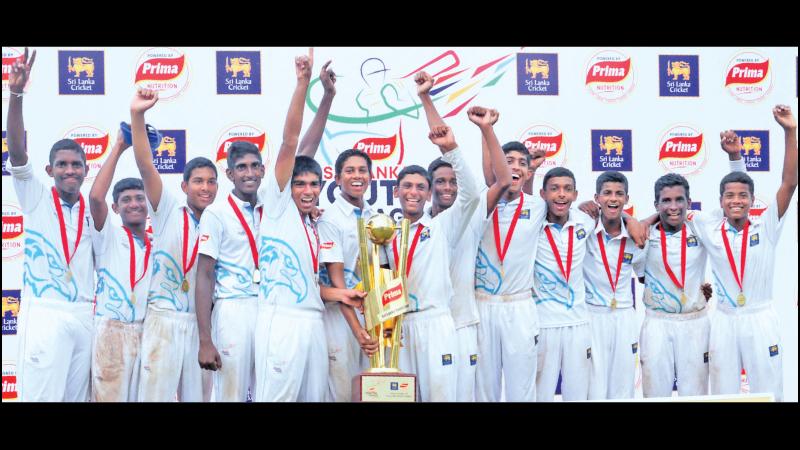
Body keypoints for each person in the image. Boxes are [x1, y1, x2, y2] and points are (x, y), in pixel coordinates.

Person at [195, 59, 338, 402]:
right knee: (230, 394)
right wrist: (205, 338)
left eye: (254, 166)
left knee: (266, 393)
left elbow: (302, 149)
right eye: (240, 167)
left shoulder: (274, 200)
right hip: (233, 309)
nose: (249, 173)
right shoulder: (216, 213)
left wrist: (327, 99)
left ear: (262, 169)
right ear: (228, 174)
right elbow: (204, 275)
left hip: (268, 307)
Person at [254, 49, 365, 402]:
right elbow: (293, 142)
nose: (306, 190)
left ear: (322, 185)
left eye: (313, 184)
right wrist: (302, 84)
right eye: (299, 184)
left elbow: (312, 285)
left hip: (314, 321)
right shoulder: (276, 203)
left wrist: (329, 97)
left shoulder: (316, 223)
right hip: (281, 323)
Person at [416, 71, 513, 402]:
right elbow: (441, 139)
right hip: (422, 326)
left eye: (452, 181)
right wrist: (425, 98)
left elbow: (502, 180)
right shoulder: (415, 226)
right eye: (439, 182)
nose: (447, 187)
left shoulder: (471, 213)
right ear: (428, 188)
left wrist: (486, 130)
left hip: (463, 324)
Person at [7, 48, 95, 402]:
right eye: (62, 164)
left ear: (87, 171)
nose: (70, 170)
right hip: (45, 311)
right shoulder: (36, 197)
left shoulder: (96, 209)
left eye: (77, 164)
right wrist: (16, 95)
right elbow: (16, 151)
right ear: (49, 170)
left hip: (84, 315)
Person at [692, 105, 796, 401]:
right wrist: (734, 159)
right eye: (729, 196)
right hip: (724, 320)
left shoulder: (767, 226)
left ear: (753, 201)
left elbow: (789, 183)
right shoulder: (709, 228)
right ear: (720, 201)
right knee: (724, 393)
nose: (736, 201)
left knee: (769, 390)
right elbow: (669, 211)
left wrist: (790, 131)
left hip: (760, 318)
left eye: (743, 196)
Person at [129, 87, 218, 401]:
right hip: (163, 318)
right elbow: (144, 165)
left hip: (201, 325)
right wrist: (138, 115)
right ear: (184, 185)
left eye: (211, 181)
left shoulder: (223, 220)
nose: (205, 188)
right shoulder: (166, 207)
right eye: (198, 181)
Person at [88, 132, 151, 401]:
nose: (135, 203)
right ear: (115, 207)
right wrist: (119, 148)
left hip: (148, 332)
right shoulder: (108, 235)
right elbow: (95, 198)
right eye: (126, 200)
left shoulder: (158, 243)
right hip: (112, 331)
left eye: (140, 197)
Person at [582, 171, 645, 399]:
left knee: (623, 384)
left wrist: (631, 220)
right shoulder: (584, 228)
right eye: (607, 193)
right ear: (596, 198)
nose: (613, 198)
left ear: (627, 199)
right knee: (593, 385)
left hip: (624, 317)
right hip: (592, 314)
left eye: (619, 194)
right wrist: (581, 206)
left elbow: (644, 275)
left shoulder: (636, 236)